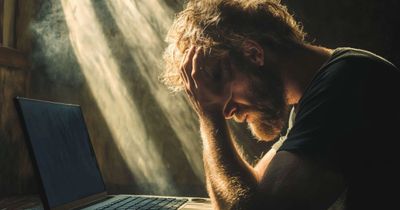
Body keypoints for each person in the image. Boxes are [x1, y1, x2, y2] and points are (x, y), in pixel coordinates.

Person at [162, 0, 400, 209]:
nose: (227, 110)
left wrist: (210, 114)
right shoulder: (314, 95)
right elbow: (251, 190)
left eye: (218, 82)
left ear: (254, 54)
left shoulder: (347, 83)